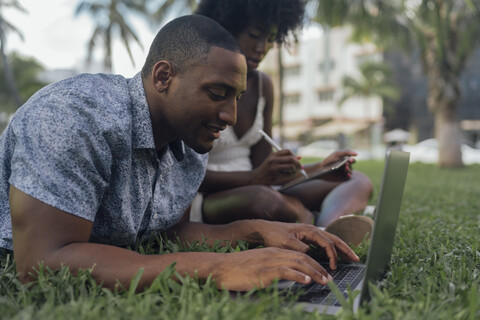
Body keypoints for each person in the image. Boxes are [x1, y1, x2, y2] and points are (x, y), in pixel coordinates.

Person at [0, 15, 359, 292]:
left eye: (235, 97)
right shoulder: (75, 117)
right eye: (217, 93)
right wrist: (217, 267)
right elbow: (42, 263)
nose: (230, 116)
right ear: (163, 77)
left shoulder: (189, 142)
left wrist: (256, 230)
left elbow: (162, 236)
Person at [193, 0, 374, 243]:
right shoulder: (198, 82)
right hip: (211, 195)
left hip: (259, 184)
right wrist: (256, 177)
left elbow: (267, 171)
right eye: (255, 35)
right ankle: (314, 225)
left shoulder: (262, 86)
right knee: (264, 200)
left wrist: (320, 169)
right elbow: (187, 176)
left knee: (358, 180)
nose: (262, 47)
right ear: (226, 26)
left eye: (270, 38)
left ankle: (329, 225)